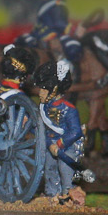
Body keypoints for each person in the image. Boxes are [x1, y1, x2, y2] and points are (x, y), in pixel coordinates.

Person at [33, 59, 86, 205]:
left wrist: (59, 144)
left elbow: (75, 131)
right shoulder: (43, 108)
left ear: (54, 89)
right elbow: (40, 127)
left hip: (67, 146)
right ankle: (52, 195)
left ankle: (67, 195)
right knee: (49, 168)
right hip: (50, 144)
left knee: (65, 169)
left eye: (43, 89)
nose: (40, 92)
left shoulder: (68, 109)